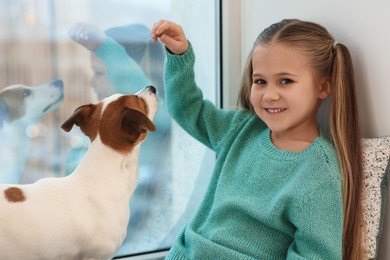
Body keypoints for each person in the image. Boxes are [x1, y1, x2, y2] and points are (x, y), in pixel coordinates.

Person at [151, 19, 364, 259]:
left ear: (324, 87)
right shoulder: (241, 129)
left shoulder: (318, 175)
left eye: (286, 81)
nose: (270, 95)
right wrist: (179, 55)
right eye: (260, 81)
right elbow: (189, 111)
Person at [66, 23, 172, 251]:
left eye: (100, 73)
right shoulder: (105, 126)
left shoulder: (154, 124)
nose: (93, 82)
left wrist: (106, 48)